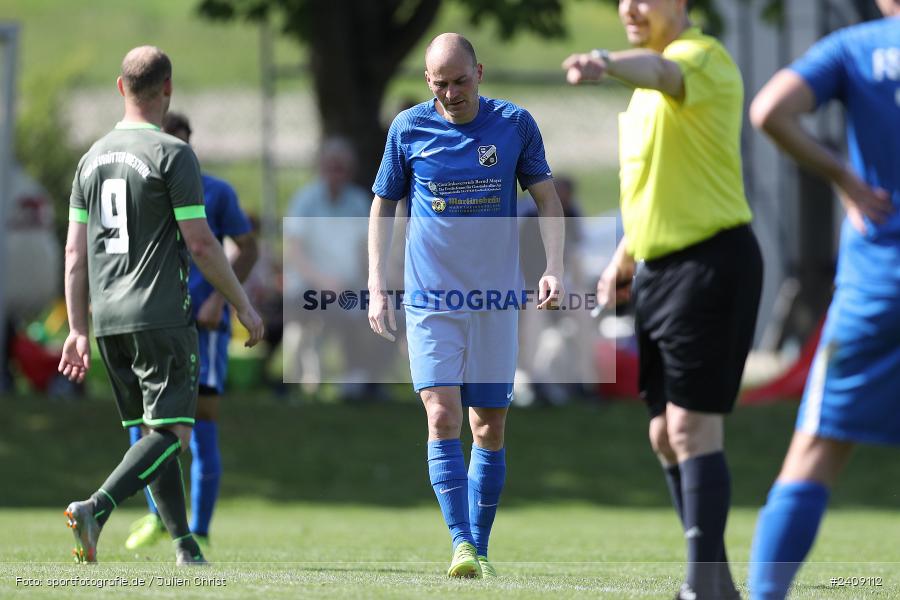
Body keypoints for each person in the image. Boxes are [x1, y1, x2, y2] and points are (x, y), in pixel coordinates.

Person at [563, 1, 763, 597]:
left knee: (690, 426)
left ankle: (701, 587)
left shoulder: (702, 59)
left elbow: (661, 71)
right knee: (662, 434)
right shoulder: (644, 95)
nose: (629, 7)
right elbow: (657, 188)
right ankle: (718, 584)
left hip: (710, 261)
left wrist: (603, 60)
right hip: (657, 270)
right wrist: (622, 259)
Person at [369, 33, 565, 579]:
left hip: (495, 297)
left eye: (460, 81)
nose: (451, 94)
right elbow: (382, 204)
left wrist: (553, 266)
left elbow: (547, 199)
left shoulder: (515, 125)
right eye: (440, 85)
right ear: (427, 82)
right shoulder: (408, 128)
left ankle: (479, 546)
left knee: (488, 427)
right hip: (431, 298)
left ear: (479, 72)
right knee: (441, 414)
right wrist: (378, 283)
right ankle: (460, 543)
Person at [59, 46, 264, 566]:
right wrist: (242, 303)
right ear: (167, 88)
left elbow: (74, 253)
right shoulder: (173, 153)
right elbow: (201, 243)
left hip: (108, 321)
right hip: (160, 314)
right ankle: (96, 508)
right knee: (175, 432)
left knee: (155, 433)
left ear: (120, 87)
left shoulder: (90, 158)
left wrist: (77, 328)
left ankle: (184, 545)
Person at [747, 4, 899, 599]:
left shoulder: (856, 47)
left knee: (816, 449)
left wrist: (846, 179)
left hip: (878, 283)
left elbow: (769, 111)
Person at [124, 111, 259, 550]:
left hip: (204, 327)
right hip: (152, 322)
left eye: (179, 145)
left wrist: (220, 298)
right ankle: (156, 517)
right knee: (145, 421)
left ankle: (199, 528)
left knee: (202, 424)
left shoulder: (216, 191)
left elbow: (247, 248)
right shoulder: (142, 190)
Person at [282, 137, 378, 399]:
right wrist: (323, 282)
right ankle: (323, 379)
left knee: (384, 311)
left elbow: (366, 252)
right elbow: (294, 253)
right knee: (343, 311)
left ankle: (362, 380)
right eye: (331, 166)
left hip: (348, 288)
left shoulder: (359, 202)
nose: (336, 173)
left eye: (341, 167)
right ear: (321, 167)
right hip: (308, 288)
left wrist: (374, 284)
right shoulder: (305, 201)